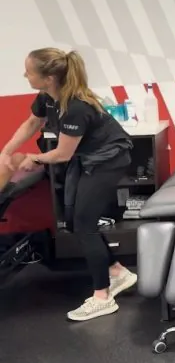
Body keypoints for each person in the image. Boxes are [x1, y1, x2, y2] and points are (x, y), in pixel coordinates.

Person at [0, 48, 136, 320]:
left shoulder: (76, 107)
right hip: (87, 158)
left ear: (49, 77)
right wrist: (6, 151)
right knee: (74, 220)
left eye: (29, 71)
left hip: (109, 159)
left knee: (85, 224)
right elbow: (32, 123)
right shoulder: (47, 97)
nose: (25, 75)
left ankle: (102, 297)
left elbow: (62, 154)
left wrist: (34, 159)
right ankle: (117, 271)